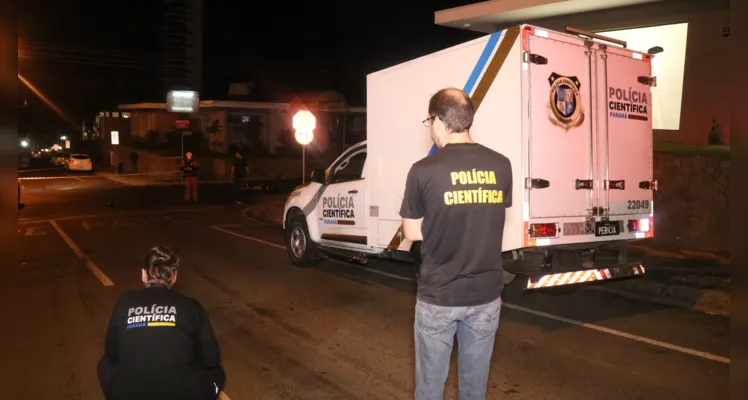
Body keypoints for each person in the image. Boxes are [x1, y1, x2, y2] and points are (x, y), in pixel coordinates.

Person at [400, 88, 513, 399]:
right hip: (486, 295)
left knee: (430, 389)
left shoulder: (423, 170)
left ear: (438, 121)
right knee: (474, 389)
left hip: (440, 295)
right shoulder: (502, 165)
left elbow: (411, 232)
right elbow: (487, 218)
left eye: (429, 121)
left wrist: (439, 222)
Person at [97, 246, 226, 400]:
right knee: (217, 373)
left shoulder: (125, 300)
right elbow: (211, 359)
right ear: (174, 276)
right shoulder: (190, 305)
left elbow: (111, 352)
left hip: (129, 394)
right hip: (182, 395)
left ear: (144, 275)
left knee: (104, 364)